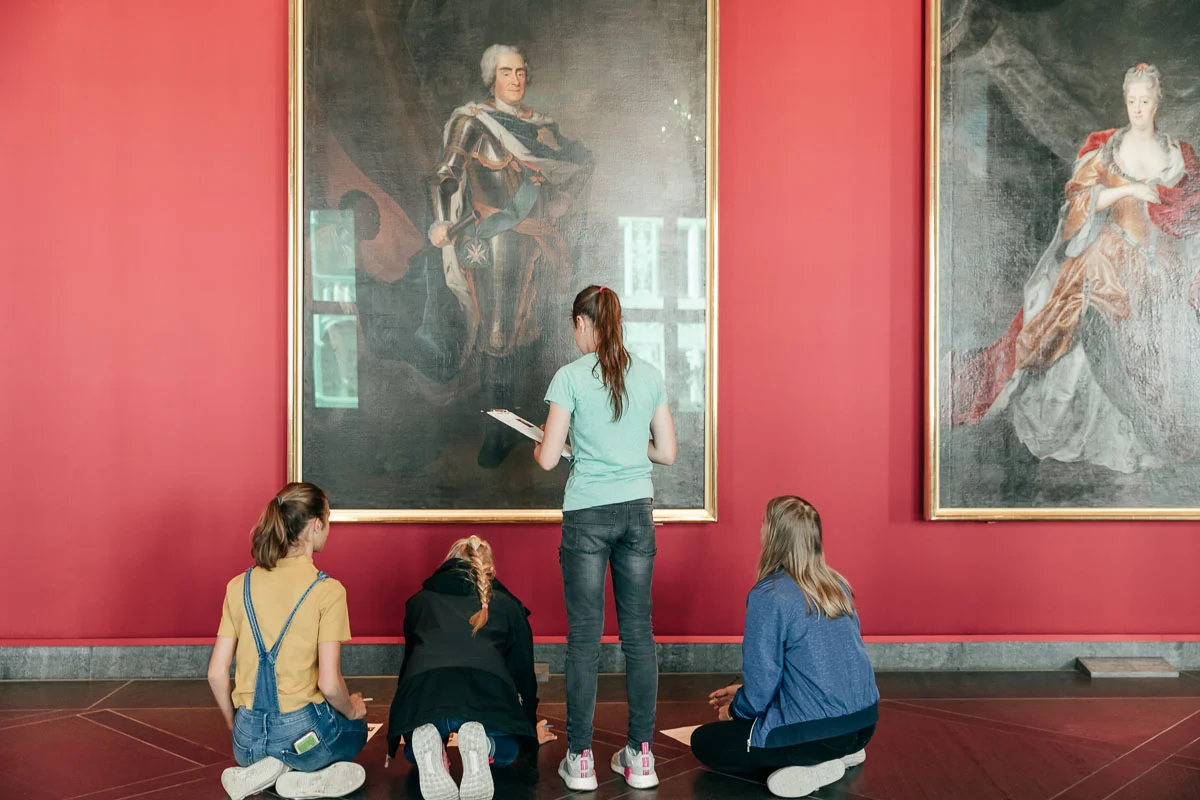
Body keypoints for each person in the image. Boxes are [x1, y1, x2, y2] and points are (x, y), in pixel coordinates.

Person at [957, 63, 1200, 472]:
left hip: (1161, 261)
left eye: (1144, 100)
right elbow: (1079, 204)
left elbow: (1191, 213)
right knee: (1088, 302)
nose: (1137, 108)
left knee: (1166, 322)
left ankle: (1156, 427)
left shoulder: (1180, 153)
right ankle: (1088, 427)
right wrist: (1128, 189)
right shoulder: (1106, 148)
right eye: (1131, 100)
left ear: (1157, 102)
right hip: (1109, 252)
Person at [535, 285, 677, 791]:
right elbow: (667, 453)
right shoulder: (649, 374)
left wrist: (561, 443)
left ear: (582, 323)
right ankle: (641, 757)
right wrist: (624, 443)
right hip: (637, 512)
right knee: (639, 635)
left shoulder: (570, 377)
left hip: (587, 516)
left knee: (584, 638)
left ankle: (581, 758)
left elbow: (549, 458)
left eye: (574, 327)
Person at [426, 43, 593, 468]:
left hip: (537, 243)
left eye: (520, 72)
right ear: (491, 78)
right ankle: (495, 434)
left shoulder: (541, 126)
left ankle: (525, 428)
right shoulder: (473, 122)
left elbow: (572, 167)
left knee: (532, 334)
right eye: (506, 72)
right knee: (497, 336)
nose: (515, 80)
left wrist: (558, 201)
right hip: (495, 243)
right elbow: (447, 175)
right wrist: (442, 221)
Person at [693, 496, 878, 799]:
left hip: (819, 735)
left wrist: (735, 711)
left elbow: (764, 681)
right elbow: (821, 667)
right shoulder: (837, 584)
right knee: (770, 720)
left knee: (705, 742)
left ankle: (818, 765)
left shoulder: (770, 595)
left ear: (774, 537)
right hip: (862, 726)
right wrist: (741, 691)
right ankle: (844, 753)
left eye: (765, 525)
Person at [207, 483, 368, 800]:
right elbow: (330, 684)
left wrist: (236, 729)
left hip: (246, 744)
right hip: (302, 738)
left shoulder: (239, 585)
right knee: (355, 729)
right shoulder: (328, 591)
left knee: (269, 738)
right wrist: (352, 710)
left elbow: (215, 673)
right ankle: (299, 771)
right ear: (317, 524)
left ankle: (267, 768)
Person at [386, 535, 556, 800]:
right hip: (484, 696)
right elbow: (524, 675)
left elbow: (409, 664)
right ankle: (484, 743)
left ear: (447, 563)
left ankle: (432, 743)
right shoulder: (509, 606)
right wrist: (527, 730)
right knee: (509, 750)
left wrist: (402, 725)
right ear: (489, 569)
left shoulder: (418, 601)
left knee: (413, 750)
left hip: (425, 695)